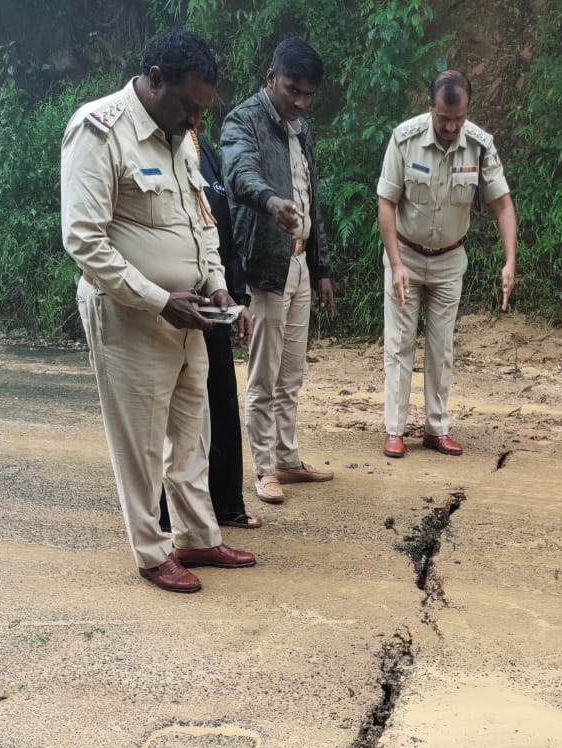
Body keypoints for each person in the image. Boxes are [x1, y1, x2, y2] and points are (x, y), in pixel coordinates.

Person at [61, 29, 256, 593]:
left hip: (191, 313)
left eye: (201, 109)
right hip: (132, 316)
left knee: (192, 433)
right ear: (153, 79)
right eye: (187, 105)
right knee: (142, 442)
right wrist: (158, 301)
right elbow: (84, 241)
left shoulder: (183, 137)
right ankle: (151, 552)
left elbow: (201, 223)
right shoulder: (100, 130)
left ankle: (197, 534)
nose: (195, 119)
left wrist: (216, 286)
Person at [377, 70, 517, 459]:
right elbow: (386, 202)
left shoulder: (480, 145)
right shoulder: (404, 139)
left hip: (450, 260)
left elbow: (502, 203)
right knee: (400, 344)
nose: (451, 127)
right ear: (431, 109)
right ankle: (395, 430)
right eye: (443, 119)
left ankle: (436, 429)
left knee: (442, 346)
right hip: (404, 255)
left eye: (458, 119)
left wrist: (510, 261)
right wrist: (395, 263)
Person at [221, 36, 335, 505]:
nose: (300, 101)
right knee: (263, 377)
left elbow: (312, 197)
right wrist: (271, 201)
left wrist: (320, 266)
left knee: (292, 373)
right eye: (292, 90)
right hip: (264, 267)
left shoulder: (300, 127)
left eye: (308, 94)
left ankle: (287, 459)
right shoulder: (241, 120)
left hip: (300, 263)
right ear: (271, 79)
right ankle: (263, 468)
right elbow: (238, 174)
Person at [160, 131, 260, 534]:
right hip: (166, 304)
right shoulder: (140, 145)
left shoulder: (203, 151)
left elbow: (221, 232)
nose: (194, 119)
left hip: (212, 298)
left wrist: (237, 295)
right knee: (175, 418)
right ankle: (165, 517)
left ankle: (227, 502)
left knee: (220, 401)